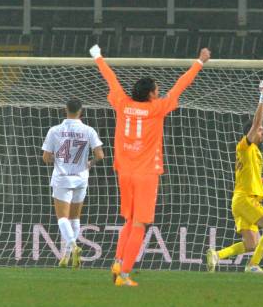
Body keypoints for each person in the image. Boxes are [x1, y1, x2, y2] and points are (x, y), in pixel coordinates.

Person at [90, 44, 210, 286]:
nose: (160, 91)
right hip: (146, 175)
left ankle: (117, 261)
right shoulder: (157, 109)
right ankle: (124, 275)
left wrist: (98, 56)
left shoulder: (123, 104)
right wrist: (200, 61)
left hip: (124, 172)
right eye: (157, 89)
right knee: (139, 224)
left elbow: (111, 80)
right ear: (152, 95)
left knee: (128, 220)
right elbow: (180, 86)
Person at [206, 81, 263, 274]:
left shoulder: (254, 152)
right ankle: (253, 266)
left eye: (262, 130)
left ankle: (217, 255)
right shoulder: (244, 147)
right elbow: (256, 123)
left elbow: (258, 179)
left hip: (242, 199)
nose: (262, 132)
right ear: (251, 133)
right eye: (260, 130)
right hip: (246, 199)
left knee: (251, 244)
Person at [41, 98, 105, 268]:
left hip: (62, 178)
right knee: (75, 218)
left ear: (65, 110)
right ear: (81, 111)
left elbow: (46, 157)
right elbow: (100, 155)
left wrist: (59, 159)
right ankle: (66, 256)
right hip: (81, 178)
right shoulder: (88, 130)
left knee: (62, 217)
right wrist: (89, 164)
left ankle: (74, 247)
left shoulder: (55, 130)